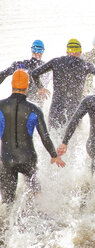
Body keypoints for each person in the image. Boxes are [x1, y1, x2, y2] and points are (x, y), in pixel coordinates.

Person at [0, 70, 65, 205]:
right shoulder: (34, 109)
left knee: (7, 201)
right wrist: (54, 155)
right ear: (27, 86)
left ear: (12, 85)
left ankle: (6, 223)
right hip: (28, 158)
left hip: (7, 159)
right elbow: (45, 137)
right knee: (36, 193)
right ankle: (40, 215)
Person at [30, 38, 95, 129]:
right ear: (80, 52)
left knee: (54, 139)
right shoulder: (85, 65)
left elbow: (34, 73)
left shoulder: (56, 62)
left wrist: (40, 87)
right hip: (74, 113)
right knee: (73, 141)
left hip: (56, 110)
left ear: (67, 51)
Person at [0, 40, 50, 107]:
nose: (38, 53)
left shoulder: (24, 64)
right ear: (32, 50)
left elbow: (4, 73)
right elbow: (4, 73)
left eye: (40, 50)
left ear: (43, 51)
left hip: (31, 99)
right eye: (36, 50)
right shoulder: (44, 67)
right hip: (29, 99)